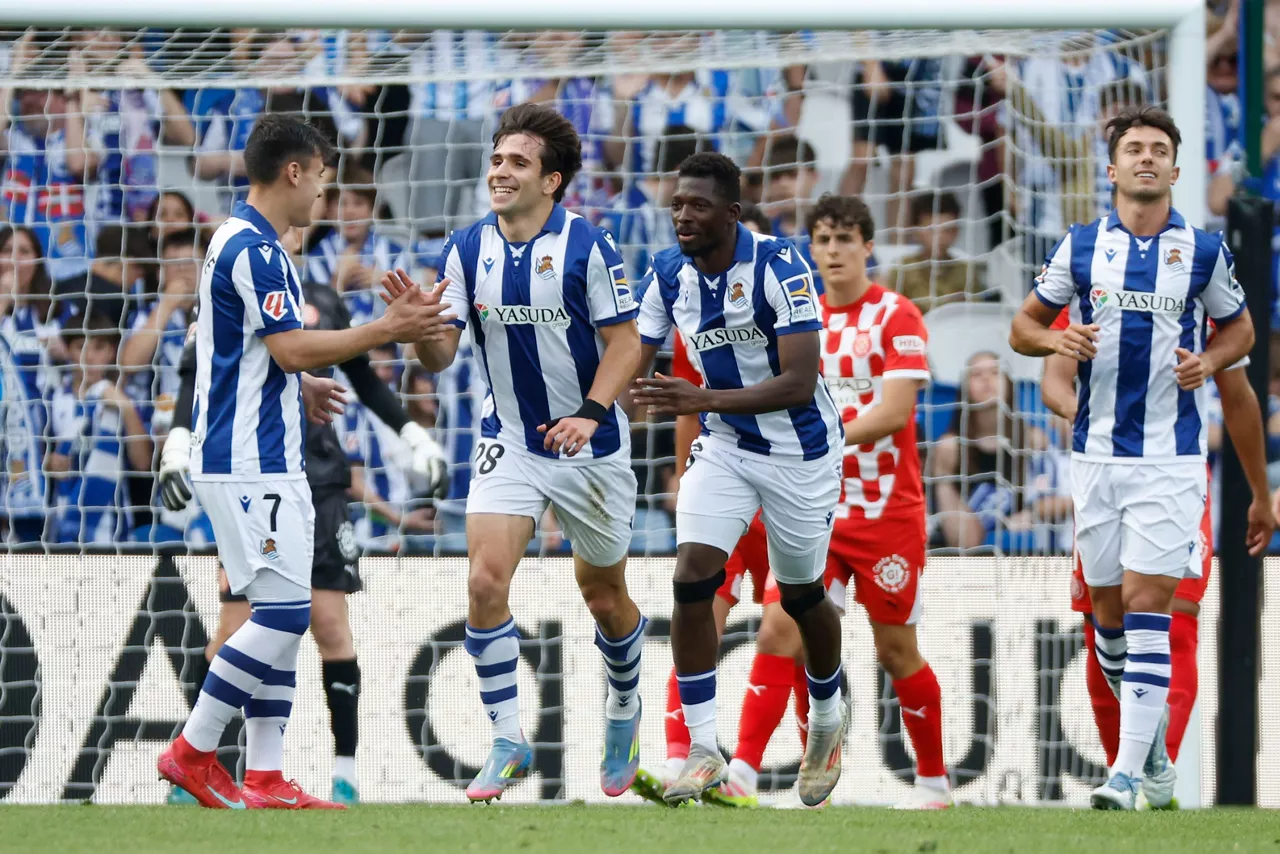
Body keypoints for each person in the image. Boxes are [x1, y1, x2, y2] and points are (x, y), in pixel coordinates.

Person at [156, 113, 448, 810]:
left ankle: (264, 775)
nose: (322, 191)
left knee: (277, 614)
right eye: (320, 176)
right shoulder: (256, 250)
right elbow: (286, 347)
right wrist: (388, 328)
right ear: (294, 171)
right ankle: (192, 751)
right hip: (251, 462)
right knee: (285, 617)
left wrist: (300, 382)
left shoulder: (242, 240)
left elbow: (247, 352)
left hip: (256, 455)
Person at [379, 103, 647, 803]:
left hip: (592, 445)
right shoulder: (467, 249)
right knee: (483, 582)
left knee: (604, 595)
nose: (499, 172)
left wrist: (590, 414)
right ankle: (506, 739)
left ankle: (623, 704)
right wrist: (414, 325)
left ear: (551, 180)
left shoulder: (589, 247)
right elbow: (441, 356)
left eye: (517, 162)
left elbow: (625, 343)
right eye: (497, 160)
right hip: (509, 442)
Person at [1009, 105, 1258, 810]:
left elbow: (1241, 333)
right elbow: (1024, 327)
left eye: (1158, 150)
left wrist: (1206, 360)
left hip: (1170, 462)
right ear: (1112, 168)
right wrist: (1057, 344)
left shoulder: (1203, 252)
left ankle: (1123, 776)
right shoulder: (1082, 248)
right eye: (1133, 149)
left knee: (1153, 608)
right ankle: (1151, 759)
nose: (1145, 158)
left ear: (1176, 170)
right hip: (1094, 463)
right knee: (1109, 623)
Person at [713, 194, 950, 810]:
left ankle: (932, 781)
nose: (835, 250)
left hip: (884, 516)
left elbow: (896, 410)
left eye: (847, 239)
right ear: (811, 249)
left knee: (897, 652)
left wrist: (821, 435)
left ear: (868, 247)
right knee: (777, 631)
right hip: (812, 507)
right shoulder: (800, 318)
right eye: (824, 240)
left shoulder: (896, 316)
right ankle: (742, 772)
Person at [628, 152, 846, 807]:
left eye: (697, 206)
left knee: (803, 595)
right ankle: (701, 750)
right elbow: (631, 362)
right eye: (676, 205)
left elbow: (800, 381)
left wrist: (700, 401)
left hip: (799, 451)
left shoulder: (783, 265)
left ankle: (829, 717)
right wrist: (588, 409)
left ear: (731, 212)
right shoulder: (667, 274)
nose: (683, 217)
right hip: (722, 449)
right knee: (692, 577)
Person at [1041, 308, 1274, 807]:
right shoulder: (1085, 277)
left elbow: (1237, 394)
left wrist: (1261, 491)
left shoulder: (1200, 277)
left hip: (1178, 479)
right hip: (1101, 477)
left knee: (1175, 618)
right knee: (1102, 626)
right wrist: (1087, 415)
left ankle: (1138, 781)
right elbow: (1054, 381)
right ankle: (1141, 765)